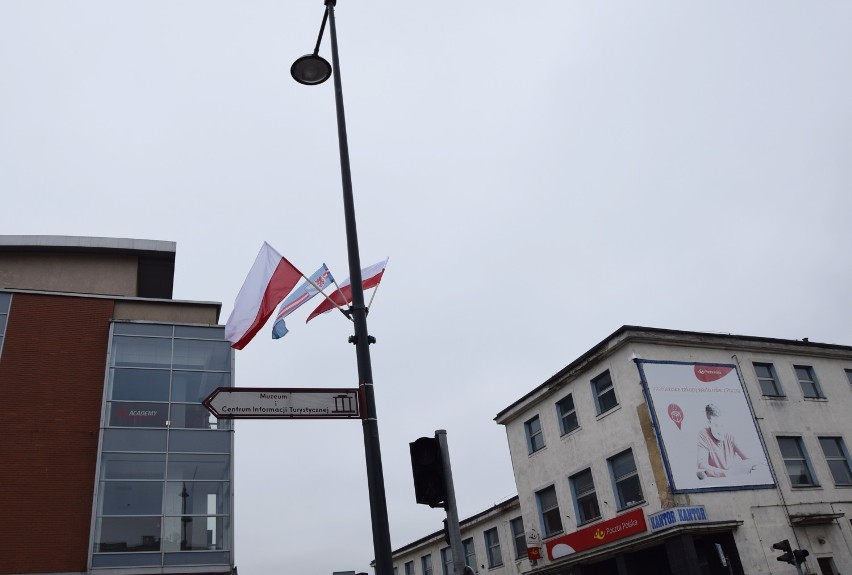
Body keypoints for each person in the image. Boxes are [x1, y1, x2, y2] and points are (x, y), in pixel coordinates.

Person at [696, 404, 756, 479]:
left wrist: (752, 466)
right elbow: (702, 465)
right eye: (716, 425)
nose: (721, 430)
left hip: (733, 480)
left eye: (723, 425)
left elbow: (748, 458)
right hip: (716, 482)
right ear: (709, 423)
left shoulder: (730, 435)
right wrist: (726, 474)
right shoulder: (703, 434)